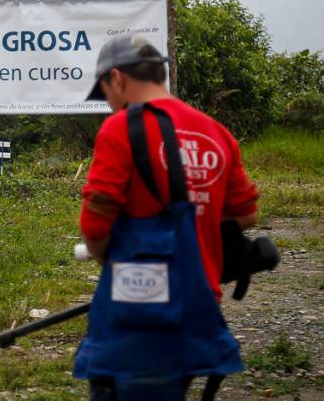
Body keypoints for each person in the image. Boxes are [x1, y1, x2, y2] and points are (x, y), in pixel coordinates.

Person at [72, 34, 259, 400]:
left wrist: (107, 254)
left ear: (118, 79)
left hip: (139, 314)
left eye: (105, 93)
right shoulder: (216, 132)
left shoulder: (121, 128)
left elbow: (95, 224)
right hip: (200, 301)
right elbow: (247, 215)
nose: (109, 105)